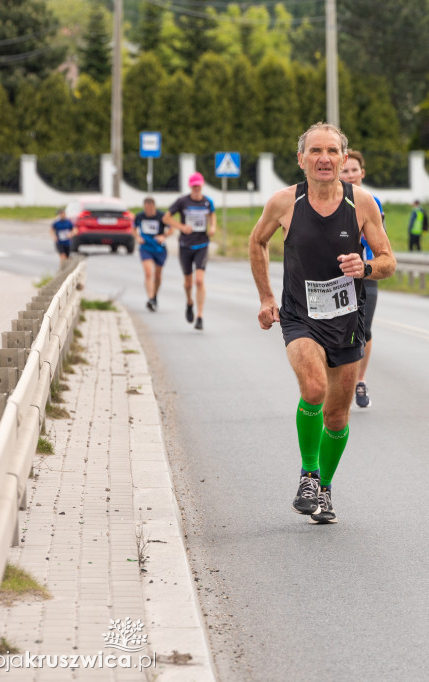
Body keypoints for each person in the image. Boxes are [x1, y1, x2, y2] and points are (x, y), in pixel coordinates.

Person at [249, 122, 395, 524]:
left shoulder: (362, 203)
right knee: (313, 388)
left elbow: (388, 261)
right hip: (300, 317)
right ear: (301, 160)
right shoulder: (284, 203)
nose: (324, 159)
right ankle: (309, 476)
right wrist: (265, 297)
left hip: (347, 319)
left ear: (344, 159)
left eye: (332, 151)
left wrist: (363, 266)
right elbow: (257, 241)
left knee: (337, 415)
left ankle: (325, 489)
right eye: (315, 151)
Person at [339, 149, 385, 408]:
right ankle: (336, 381)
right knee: (337, 331)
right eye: (345, 170)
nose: (350, 174)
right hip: (336, 275)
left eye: (354, 170)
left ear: (362, 173)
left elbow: (383, 243)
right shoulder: (330, 201)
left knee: (364, 330)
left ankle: (360, 380)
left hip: (366, 273)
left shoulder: (373, 202)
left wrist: (370, 264)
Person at [164, 172, 216, 330]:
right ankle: (189, 302)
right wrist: (181, 227)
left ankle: (199, 316)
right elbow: (166, 218)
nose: (196, 189)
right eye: (194, 186)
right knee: (188, 283)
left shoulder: (208, 202)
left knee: (199, 280)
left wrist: (213, 226)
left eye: (198, 186)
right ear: (190, 187)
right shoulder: (182, 202)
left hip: (202, 244)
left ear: (202, 185)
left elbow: (212, 216)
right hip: (185, 245)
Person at [133, 197, 173, 312]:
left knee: (158, 275)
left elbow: (171, 229)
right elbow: (133, 228)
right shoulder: (140, 216)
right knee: (148, 272)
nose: (149, 211)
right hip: (146, 248)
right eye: (147, 209)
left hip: (159, 249)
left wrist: (163, 236)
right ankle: (150, 298)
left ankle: (155, 296)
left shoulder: (161, 216)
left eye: (151, 209)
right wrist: (137, 237)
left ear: (154, 207)